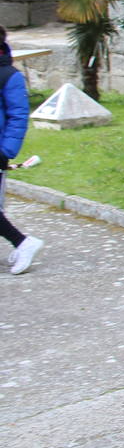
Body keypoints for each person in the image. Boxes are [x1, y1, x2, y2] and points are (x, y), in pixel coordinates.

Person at [0, 27, 44, 274]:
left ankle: (24, 243)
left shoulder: (9, 76)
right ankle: (22, 243)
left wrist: (6, 151)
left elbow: (18, 116)